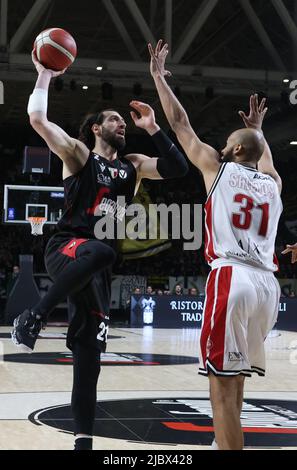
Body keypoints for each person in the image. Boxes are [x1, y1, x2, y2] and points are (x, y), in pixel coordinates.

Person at [11, 50, 188, 451]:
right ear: (95, 128)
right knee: (103, 251)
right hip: (66, 248)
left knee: (89, 358)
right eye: (114, 119)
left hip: (96, 268)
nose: (122, 124)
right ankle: (33, 316)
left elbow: (178, 169)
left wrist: (155, 127)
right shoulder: (78, 154)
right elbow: (38, 120)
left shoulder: (134, 165)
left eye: (124, 121)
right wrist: (43, 75)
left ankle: (83, 443)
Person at [149, 40, 283, 450]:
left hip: (233, 277)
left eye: (229, 141)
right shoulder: (274, 185)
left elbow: (181, 124)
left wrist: (158, 76)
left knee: (220, 391)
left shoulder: (217, 168)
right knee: (235, 381)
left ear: (237, 150)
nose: (222, 145)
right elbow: (267, 161)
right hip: (267, 288)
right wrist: (259, 132)